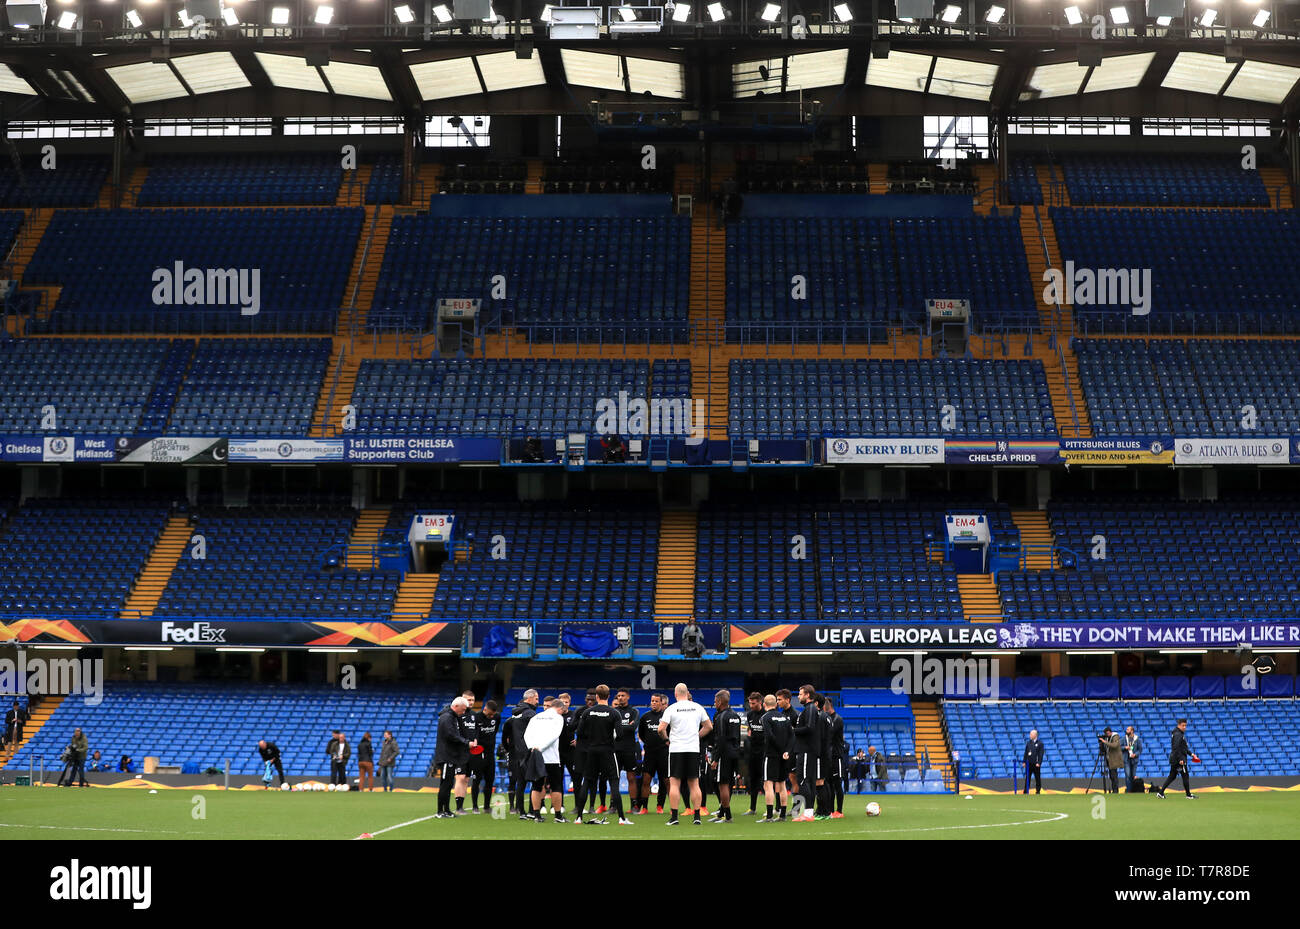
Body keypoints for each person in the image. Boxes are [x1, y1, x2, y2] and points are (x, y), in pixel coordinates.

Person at [573, 685, 631, 826]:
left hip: (591, 751)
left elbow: (579, 732)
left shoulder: (587, 712)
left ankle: (579, 817)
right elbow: (620, 734)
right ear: (609, 696)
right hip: (608, 751)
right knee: (614, 782)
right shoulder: (614, 713)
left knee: (586, 781)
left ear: (597, 697)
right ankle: (622, 818)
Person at [657, 682, 712, 826]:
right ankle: (697, 817)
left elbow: (660, 729)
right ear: (687, 693)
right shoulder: (697, 707)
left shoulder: (671, 708)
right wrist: (696, 736)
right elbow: (709, 726)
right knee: (694, 784)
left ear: (675, 694)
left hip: (676, 749)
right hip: (693, 749)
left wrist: (667, 739)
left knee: (675, 784)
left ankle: (674, 817)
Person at [523, 696, 567, 822]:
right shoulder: (558, 718)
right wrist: (540, 747)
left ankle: (536, 815)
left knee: (536, 786)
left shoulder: (536, 717)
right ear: (559, 708)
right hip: (551, 758)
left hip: (536, 756)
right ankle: (558, 816)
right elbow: (554, 735)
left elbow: (526, 735)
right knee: (556, 786)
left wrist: (532, 748)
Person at [434, 697, 475, 818]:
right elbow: (451, 735)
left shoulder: (452, 717)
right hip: (446, 756)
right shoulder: (447, 717)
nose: (463, 713)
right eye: (462, 710)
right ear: (456, 706)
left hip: (450, 756)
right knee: (445, 784)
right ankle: (440, 811)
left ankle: (446, 810)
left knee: (447, 784)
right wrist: (466, 742)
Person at [708, 690, 742, 823]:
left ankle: (727, 816)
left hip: (724, 754)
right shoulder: (736, 715)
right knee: (728, 784)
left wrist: (715, 758)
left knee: (723, 785)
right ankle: (721, 813)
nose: (714, 703)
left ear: (720, 701)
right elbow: (738, 737)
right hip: (734, 753)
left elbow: (721, 739)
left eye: (715, 701)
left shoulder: (721, 717)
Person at [758, 694, 793, 822]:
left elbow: (770, 736)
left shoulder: (765, 717)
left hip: (771, 755)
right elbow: (792, 736)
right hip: (784, 756)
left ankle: (769, 816)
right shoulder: (784, 717)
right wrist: (787, 751)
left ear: (764, 704)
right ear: (776, 704)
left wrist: (780, 750)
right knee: (782, 785)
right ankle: (782, 815)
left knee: (768, 784)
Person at [504, 689, 539, 816]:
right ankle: (532, 810)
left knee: (521, 783)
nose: (537, 701)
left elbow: (505, 733)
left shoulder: (514, 714)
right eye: (536, 699)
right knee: (535, 782)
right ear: (529, 699)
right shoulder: (530, 713)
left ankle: (521, 811)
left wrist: (509, 749)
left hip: (516, 753)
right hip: (528, 752)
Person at [792, 684, 823, 822]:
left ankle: (808, 813)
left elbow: (809, 728)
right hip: (807, 750)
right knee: (808, 781)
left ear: (808, 695)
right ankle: (809, 813)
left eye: (800, 694)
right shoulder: (808, 709)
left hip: (806, 750)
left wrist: (792, 730)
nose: (798, 696)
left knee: (803, 780)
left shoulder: (810, 709)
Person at [638, 692, 670, 814]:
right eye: (652, 701)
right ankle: (644, 807)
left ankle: (660, 806)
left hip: (663, 753)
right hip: (650, 753)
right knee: (646, 780)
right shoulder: (645, 717)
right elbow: (641, 733)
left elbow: (671, 732)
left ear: (662, 703)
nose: (654, 703)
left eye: (656, 701)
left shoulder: (666, 717)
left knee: (666, 781)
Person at [612, 689, 642, 814]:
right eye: (618, 696)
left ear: (628, 697)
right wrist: (626, 727)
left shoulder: (634, 711)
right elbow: (610, 728)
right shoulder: (613, 712)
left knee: (631, 777)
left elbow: (633, 727)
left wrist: (619, 727)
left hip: (629, 749)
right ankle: (613, 806)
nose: (620, 698)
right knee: (614, 778)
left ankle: (634, 806)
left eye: (623, 695)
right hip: (615, 749)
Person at [1156, 719, 1199, 800]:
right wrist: (1180, 759)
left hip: (1175, 759)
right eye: (1183, 725)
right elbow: (1176, 748)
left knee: (1172, 776)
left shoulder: (1177, 733)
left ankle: (1160, 793)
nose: (1184, 727)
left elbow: (1183, 748)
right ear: (1178, 725)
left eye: (1185, 725)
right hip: (1179, 760)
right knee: (1185, 776)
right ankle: (1188, 795)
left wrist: (1192, 754)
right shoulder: (1178, 734)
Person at [469, 701, 499, 813]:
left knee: (490, 780)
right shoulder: (476, 718)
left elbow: (494, 732)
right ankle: (475, 806)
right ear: (485, 709)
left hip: (490, 753)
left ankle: (487, 806)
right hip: (478, 754)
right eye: (490, 714)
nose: (492, 716)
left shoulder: (497, 717)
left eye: (493, 714)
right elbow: (474, 734)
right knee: (476, 780)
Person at [823, 696, 846, 818]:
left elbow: (828, 734)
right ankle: (831, 810)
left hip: (836, 756)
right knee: (829, 785)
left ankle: (839, 811)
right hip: (828, 757)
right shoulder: (828, 718)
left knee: (837, 785)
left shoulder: (837, 719)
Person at [743, 692, 766, 815]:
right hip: (753, 753)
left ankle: (774, 808)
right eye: (750, 703)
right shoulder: (750, 715)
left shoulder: (766, 715)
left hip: (764, 752)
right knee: (753, 780)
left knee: (767, 780)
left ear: (760, 702)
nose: (751, 705)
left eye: (753, 703)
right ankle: (752, 808)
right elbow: (750, 731)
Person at [1022, 729, 1045, 795]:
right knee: (1027, 777)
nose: (1030, 735)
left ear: (1035, 735)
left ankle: (1038, 791)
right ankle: (1026, 791)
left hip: (1036, 764)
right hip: (1029, 763)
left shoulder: (1040, 743)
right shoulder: (1028, 743)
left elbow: (1041, 754)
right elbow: (1026, 753)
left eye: (1031, 734)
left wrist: (1039, 763)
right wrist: (1024, 761)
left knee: (1037, 777)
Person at [1101, 727, 1122, 795]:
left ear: (1110, 732)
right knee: (1111, 776)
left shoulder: (1115, 737)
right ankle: (1114, 789)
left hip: (1114, 759)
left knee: (1114, 775)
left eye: (1107, 733)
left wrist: (1104, 742)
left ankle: (1115, 790)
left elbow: (1115, 745)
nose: (1107, 735)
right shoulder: (1107, 738)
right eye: (1106, 734)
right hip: (1109, 759)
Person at [1123, 726, 1143, 793]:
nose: (1126, 730)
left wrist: (1135, 754)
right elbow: (1118, 747)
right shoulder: (1124, 738)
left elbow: (1140, 750)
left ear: (1132, 731)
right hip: (1126, 760)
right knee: (1128, 775)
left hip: (1134, 760)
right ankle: (1129, 791)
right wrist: (1124, 747)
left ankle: (1133, 790)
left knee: (1133, 775)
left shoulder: (1137, 739)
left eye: (1128, 729)